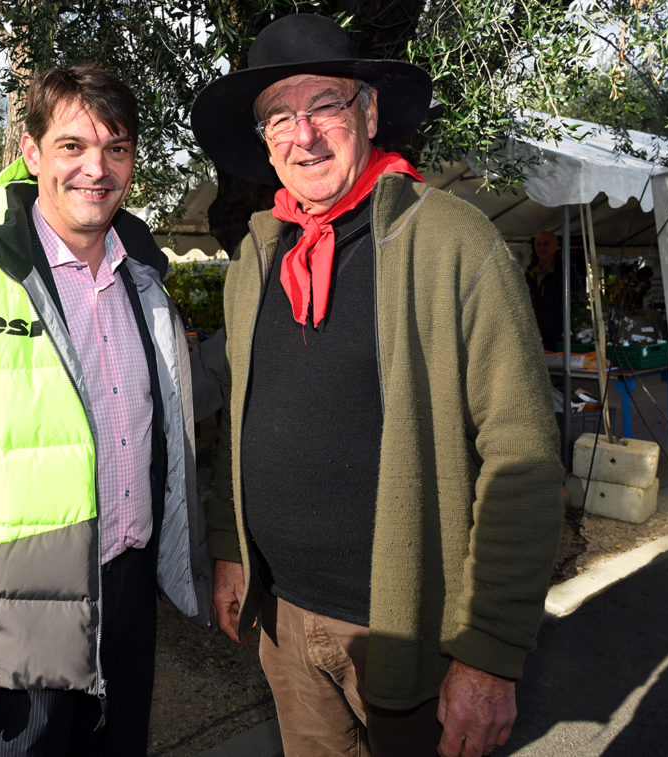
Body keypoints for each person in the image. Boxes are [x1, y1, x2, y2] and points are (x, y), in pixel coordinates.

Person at [191, 14, 565, 757]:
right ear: (264, 142)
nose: (304, 134)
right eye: (279, 117)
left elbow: (521, 453)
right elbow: (241, 416)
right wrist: (233, 548)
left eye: (325, 105)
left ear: (366, 111)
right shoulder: (256, 256)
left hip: (408, 627)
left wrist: (488, 653)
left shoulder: (451, 241)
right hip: (286, 623)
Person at [0, 63, 211, 755]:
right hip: (16, 619)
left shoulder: (143, 280)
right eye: (73, 146)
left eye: (116, 148)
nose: (97, 169)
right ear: (31, 152)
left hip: (130, 597)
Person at [525, 231, 563, 350]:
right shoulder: (530, 271)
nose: (541, 248)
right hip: (534, 331)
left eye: (546, 244)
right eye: (538, 244)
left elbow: (576, 299)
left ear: (556, 246)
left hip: (558, 333)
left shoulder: (564, 270)